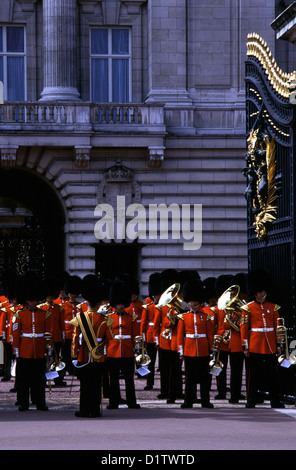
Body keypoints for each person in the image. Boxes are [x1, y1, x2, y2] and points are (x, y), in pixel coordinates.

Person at [71, 274, 114, 418]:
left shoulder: (79, 318)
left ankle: (84, 410)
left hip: (84, 356)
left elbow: (75, 339)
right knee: (96, 385)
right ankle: (95, 410)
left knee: (85, 386)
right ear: (98, 303)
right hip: (99, 357)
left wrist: (74, 356)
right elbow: (110, 338)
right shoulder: (105, 319)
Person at [240, 269, 285, 408]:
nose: (261, 294)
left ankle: (274, 400)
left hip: (270, 344)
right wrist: (245, 346)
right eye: (259, 291)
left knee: (272, 376)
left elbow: (278, 327)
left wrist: (279, 345)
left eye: (263, 291)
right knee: (254, 376)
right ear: (255, 292)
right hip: (255, 344)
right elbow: (244, 328)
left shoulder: (273, 307)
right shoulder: (247, 308)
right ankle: (251, 399)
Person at [11, 272, 48, 411]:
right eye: (31, 300)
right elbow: (15, 334)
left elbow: (46, 334)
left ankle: (40, 402)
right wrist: (16, 351)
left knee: (39, 379)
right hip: (24, 350)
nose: (33, 302)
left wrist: (48, 351)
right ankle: (23, 402)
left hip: (39, 350)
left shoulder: (44, 314)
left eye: (35, 300)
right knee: (23, 380)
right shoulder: (19, 314)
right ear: (26, 300)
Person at [177, 278, 215, 408]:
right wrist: (181, 351)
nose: (194, 302)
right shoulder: (184, 317)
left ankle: (205, 401)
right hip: (189, 349)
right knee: (190, 378)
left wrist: (212, 350)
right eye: (192, 300)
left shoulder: (206, 317)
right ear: (189, 301)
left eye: (196, 300)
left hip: (203, 349)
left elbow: (210, 335)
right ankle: (188, 401)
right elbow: (180, 336)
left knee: (205, 377)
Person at [106, 277, 141, 410]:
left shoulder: (131, 318)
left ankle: (131, 402)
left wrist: (137, 350)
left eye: (122, 304)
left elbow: (135, 336)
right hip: (113, 351)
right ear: (114, 304)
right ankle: (113, 402)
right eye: (118, 304)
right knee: (113, 380)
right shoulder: (109, 318)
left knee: (129, 380)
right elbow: (106, 337)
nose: (120, 306)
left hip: (127, 350)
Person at [154, 269, 183, 403]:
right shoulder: (162, 306)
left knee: (177, 368)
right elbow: (157, 324)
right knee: (165, 368)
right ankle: (165, 391)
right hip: (165, 340)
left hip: (177, 340)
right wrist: (156, 341)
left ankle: (178, 391)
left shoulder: (181, 305)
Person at [38, 277, 66, 386]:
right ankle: (44, 379)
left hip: (57, 337)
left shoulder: (59, 308)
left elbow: (62, 324)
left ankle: (57, 379)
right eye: (48, 297)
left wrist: (63, 336)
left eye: (51, 297)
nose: (50, 299)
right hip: (45, 338)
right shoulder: (41, 308)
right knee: (45, 359)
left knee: (56, 359)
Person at [140, 272, 161, 391]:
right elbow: (143, 322)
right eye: (157, 294)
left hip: (161, 336)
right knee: (150, 361)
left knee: (162, 364)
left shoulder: (164, 306)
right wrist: (143, 336)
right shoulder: (148, 306)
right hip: (150, 336)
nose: (158, 296)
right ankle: (149, 382)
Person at [62, 275, 82, 375]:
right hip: (67, 332)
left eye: (74, 293)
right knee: (66, 353)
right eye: (70, 293)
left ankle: (75, 369)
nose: (72, 295)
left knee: (76, 352)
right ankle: (67, 368)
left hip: (77, 333)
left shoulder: (80, 305)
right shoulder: (64, 306)